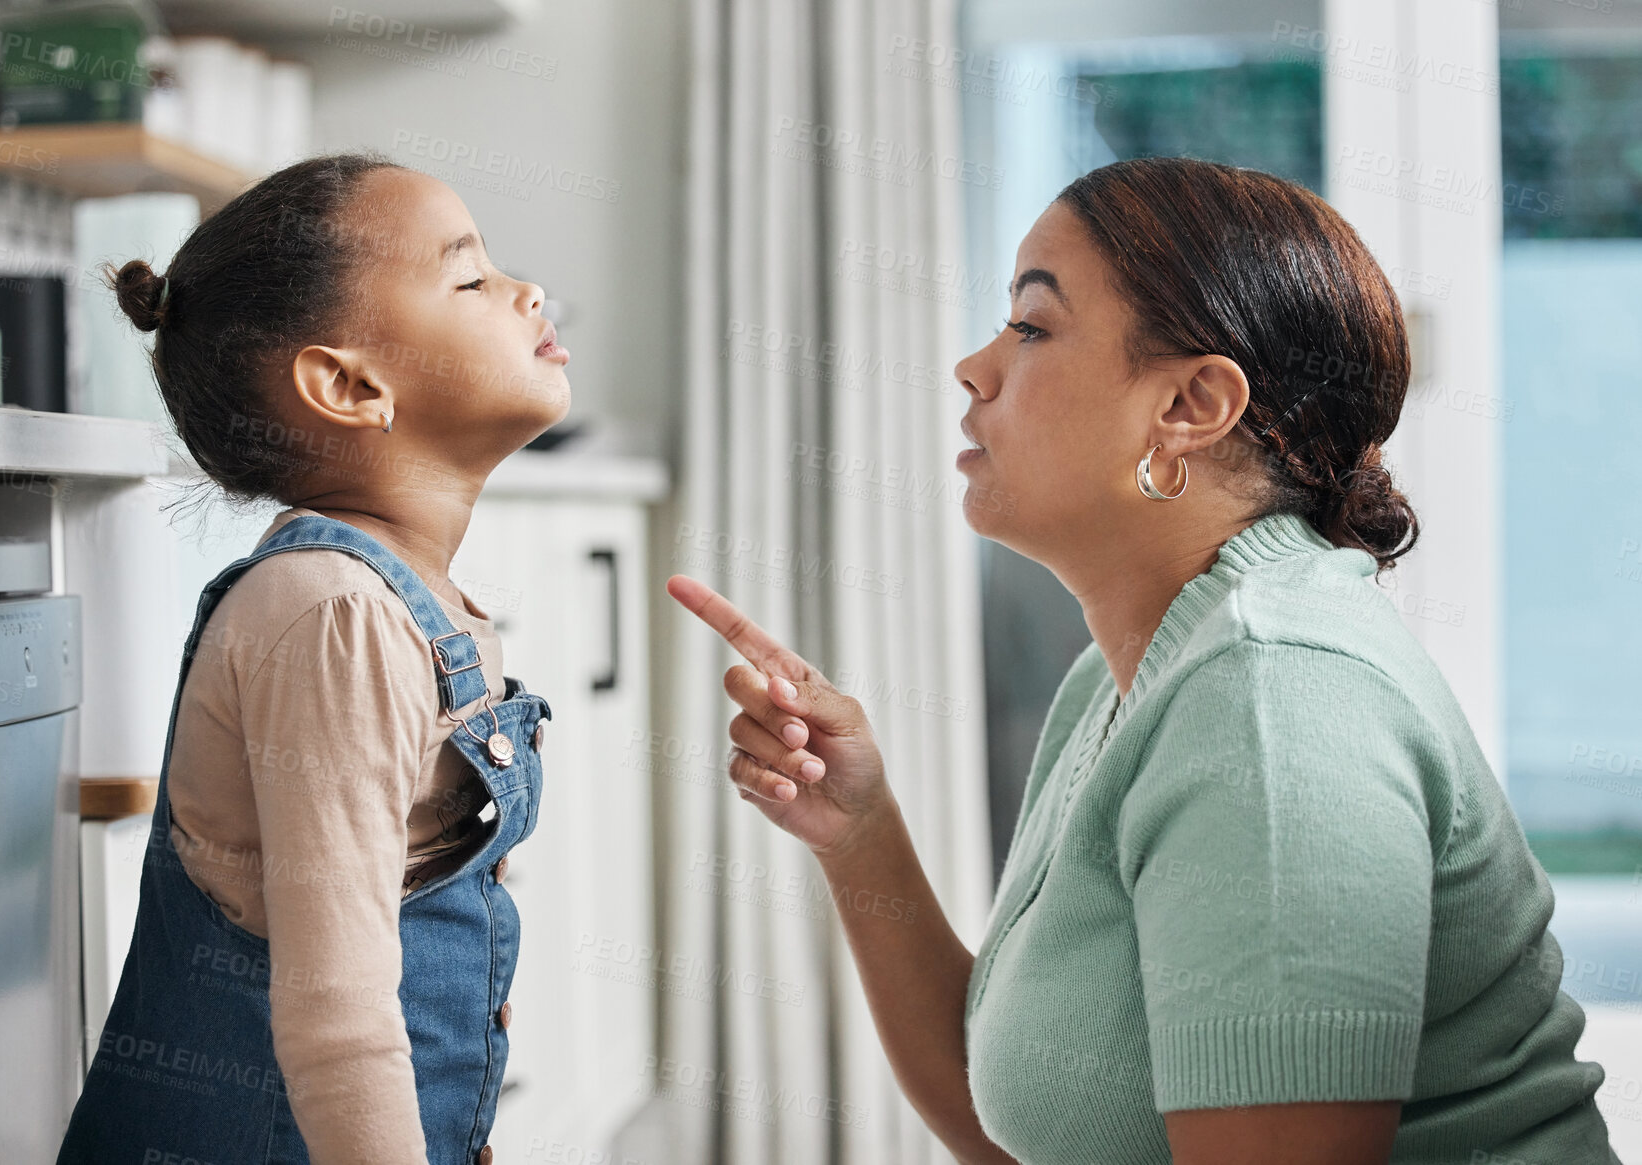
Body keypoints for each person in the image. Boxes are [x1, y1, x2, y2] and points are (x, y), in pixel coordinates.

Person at [666, 156, 1619, 1164]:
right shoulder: (1136, 672)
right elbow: (1030, 1129)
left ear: (1190, 404)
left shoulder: (1269, 700)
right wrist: (859, 833)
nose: (974, 367)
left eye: (1031, 326)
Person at [58, 153, 568, 1165]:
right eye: (469, 279)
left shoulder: (405, 604)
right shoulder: (332, 617)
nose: (528, 290)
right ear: (348, 385)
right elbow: (338, 1022)